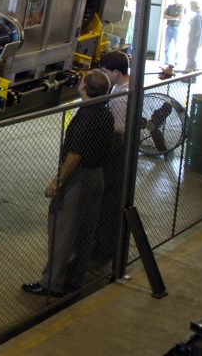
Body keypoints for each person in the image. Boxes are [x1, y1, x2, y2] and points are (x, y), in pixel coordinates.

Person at [23, 70, 114, 297]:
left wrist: (58, 181)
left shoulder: (85, 116)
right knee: (85, 230)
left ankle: (51, 283)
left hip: (80, 178)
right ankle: (75, 278)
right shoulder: (105, 111)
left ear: (84, 89)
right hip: (97, 176)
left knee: (62, 231)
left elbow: (75, 155)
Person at [91, 51, 129, 266]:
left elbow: (118, 129)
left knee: (108, 205)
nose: (103, 75)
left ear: (116, 72)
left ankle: (103, 251)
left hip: (114, 157)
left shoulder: (122, 96)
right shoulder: (119, 87)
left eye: (105, 72)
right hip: (115, 155)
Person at [163, 0, 184, 66]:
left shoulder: (182, 7)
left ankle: (176, 61)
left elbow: (180, 18)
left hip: (176, 28)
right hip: (169, 27)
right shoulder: (170, 6)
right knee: (166, 46)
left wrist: (170, 17)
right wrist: (174, 18)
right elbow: (164, 16)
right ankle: (166, 61)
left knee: (177, 46)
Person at [185, 1, 202, 72]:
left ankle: (190, 77)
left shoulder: (198, 16)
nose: (190, 8)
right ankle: (189, 75)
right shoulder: (200, 15)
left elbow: (197, 30)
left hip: (194, 42)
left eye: (191, 6)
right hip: (195, 41)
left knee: (192, 58)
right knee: (192, 58)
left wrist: (192, 39)